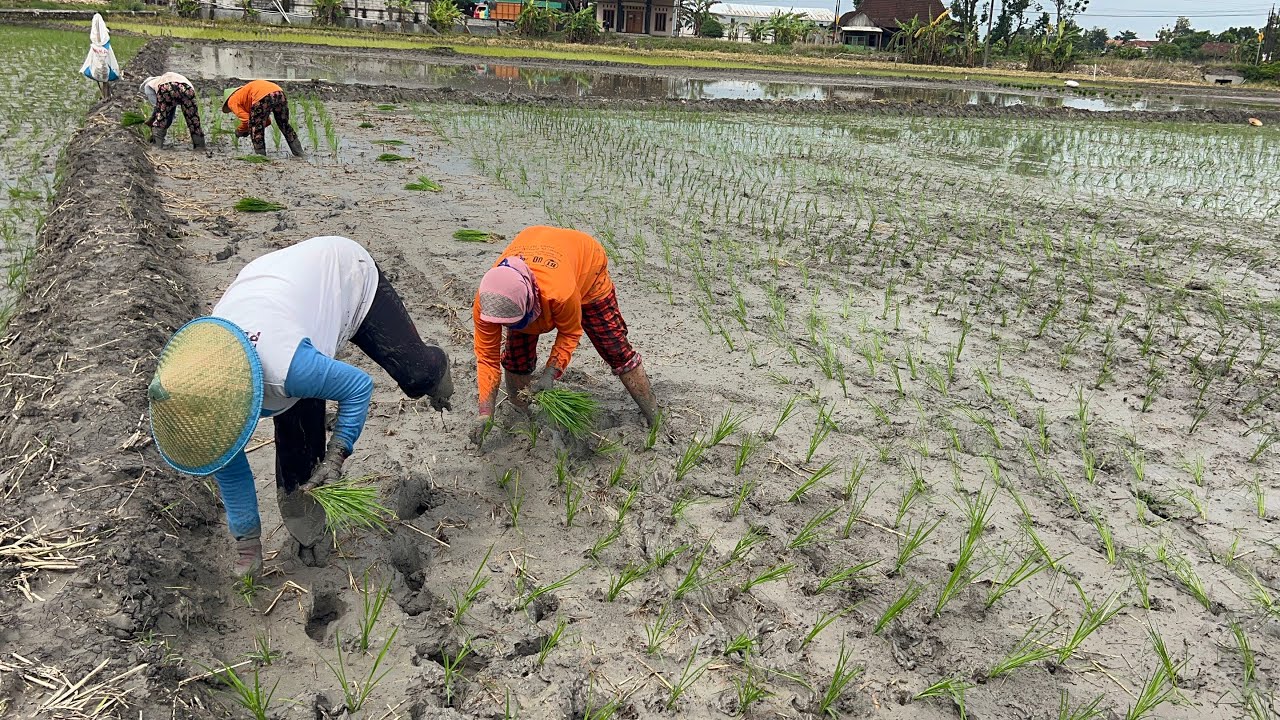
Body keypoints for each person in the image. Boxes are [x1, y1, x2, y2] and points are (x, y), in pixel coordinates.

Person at [148, 236, 454, 578]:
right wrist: (247, 546)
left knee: (416, 376)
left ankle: (438, 370)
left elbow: (358, 387)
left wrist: (337, 455)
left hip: (342, 275)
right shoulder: (202, 403)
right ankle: (311, 532)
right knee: (299, 466)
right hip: (276, 293)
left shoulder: (285, 369)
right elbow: (231, 474)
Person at [470, 226, 658, 446]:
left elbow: (570, 332)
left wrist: (551, 373)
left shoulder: (560, 293)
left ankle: (654, 416)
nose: (511, 328)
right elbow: (487, 358)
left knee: (614, 347)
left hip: (587, 266)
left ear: (531, 300)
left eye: (517, 322)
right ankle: (523, 418)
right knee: (516, 357)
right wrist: (485, 412)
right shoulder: (489, 301)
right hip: (534, 251)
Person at [222, 80, 303, 157]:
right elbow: (267, 121)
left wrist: (240, 131)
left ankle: (261, 157)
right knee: (284, 125)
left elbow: (247, 121)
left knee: (256, 129)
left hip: (262, 97)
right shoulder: (244, 94)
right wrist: (248, 130)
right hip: (279, 92)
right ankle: (299, 153)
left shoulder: (231, 101)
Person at [139, 73, 205, 150]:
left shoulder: (148, 86)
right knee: (193, 119)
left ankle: (157, 147)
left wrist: (153, 120)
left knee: (161, 118)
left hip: (166, 87)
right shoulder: (168, 77)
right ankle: (200, 147)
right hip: (187, 88)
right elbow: (171, 111)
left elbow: (158, 108)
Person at [80, 14, 120, 99]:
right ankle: (105, 96)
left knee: (103, 77)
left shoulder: (99, 41)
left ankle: (106, 96)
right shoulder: (102, 41)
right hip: (102, 66)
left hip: (102, 66)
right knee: (104, 78)